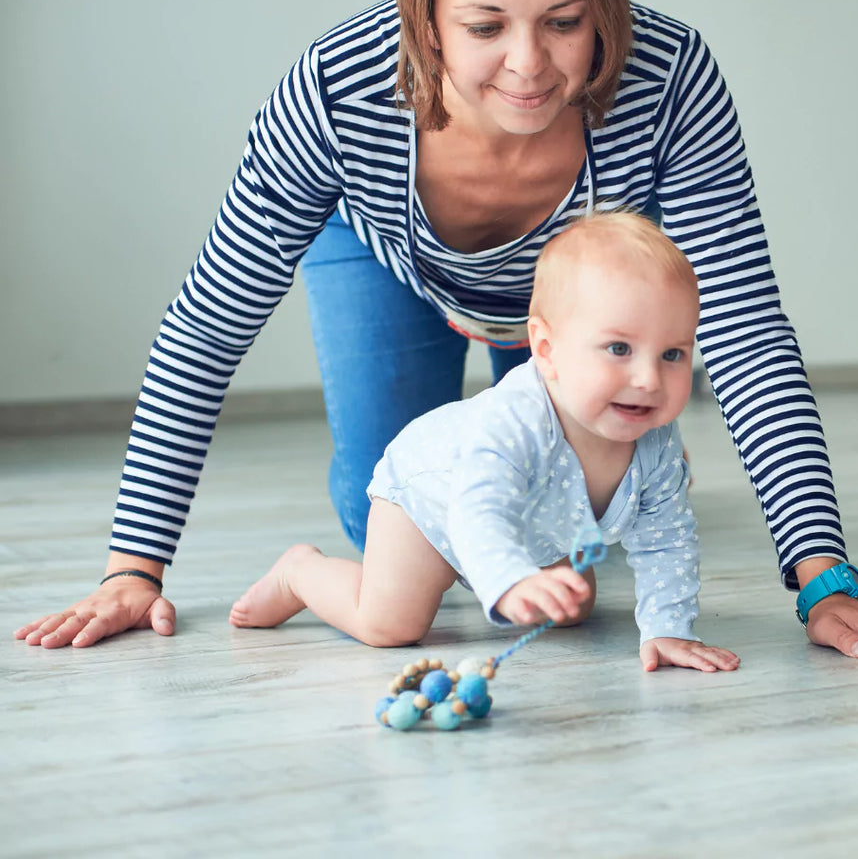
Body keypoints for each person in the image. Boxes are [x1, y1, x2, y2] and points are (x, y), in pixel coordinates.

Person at [15, 0, 858, 662]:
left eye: (565, 22)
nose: (529, 66)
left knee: (576, 537)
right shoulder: (335, 95)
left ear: (602, 4)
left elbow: (740, 323)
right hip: (393, 265)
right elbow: (207, 323)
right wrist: (131, 567)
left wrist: (824, 574)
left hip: (586, 305)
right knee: (397, 530)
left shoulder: (669, 79)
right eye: (484, 26)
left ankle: (594, 483)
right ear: (423, 21)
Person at [228, 213, 740, 673]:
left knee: (569, 609)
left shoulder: (656, 442)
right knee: (391, 624)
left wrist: (667, 628)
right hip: (431, 500)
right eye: (619, 348)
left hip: (531, 527)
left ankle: (512, 574)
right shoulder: (517, 418)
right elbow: (478, 512)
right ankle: (301, 572)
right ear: (546, 349)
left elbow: (668, 540)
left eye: (673, 353)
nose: (649, 379)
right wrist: (509, 578)